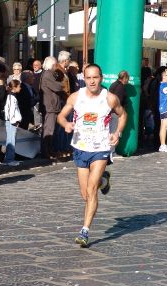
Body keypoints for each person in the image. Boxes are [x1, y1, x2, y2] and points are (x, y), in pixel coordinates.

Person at [57, 64, 127, 247]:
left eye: (95, 77)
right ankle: (104, 181)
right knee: (85, 194)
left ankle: (85, 231)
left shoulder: (109, 98)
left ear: (101, 78)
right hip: (80, 147)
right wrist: (66, 124)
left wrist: (117, 133)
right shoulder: (76, 96)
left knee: (91, 189)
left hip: (101, 148)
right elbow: (61, 116)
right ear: (84, 79)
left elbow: (123, 115)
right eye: (88, 78)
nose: (92, 81)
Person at [39, 56, 64, 159]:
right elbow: (57, 87)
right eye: (55, 64)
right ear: (52, 65)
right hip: (50, 106)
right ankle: (46, 152)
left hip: (52, 106)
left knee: (51, 130)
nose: (56, 66)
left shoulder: (48, 74)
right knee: (49, 130)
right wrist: (61, 84)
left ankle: (49, 150)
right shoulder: (48, 74)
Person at [4, 80, 22, 166]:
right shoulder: (11, 97)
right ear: (14, 88)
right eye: (19, 86)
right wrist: (13, 121)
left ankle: (10, 158)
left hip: (12, 121)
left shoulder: (12, 96)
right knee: (11, 140)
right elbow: (10, 110)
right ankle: (9, 159)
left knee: (11, 139)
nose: (20, 88)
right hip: (12, 122)